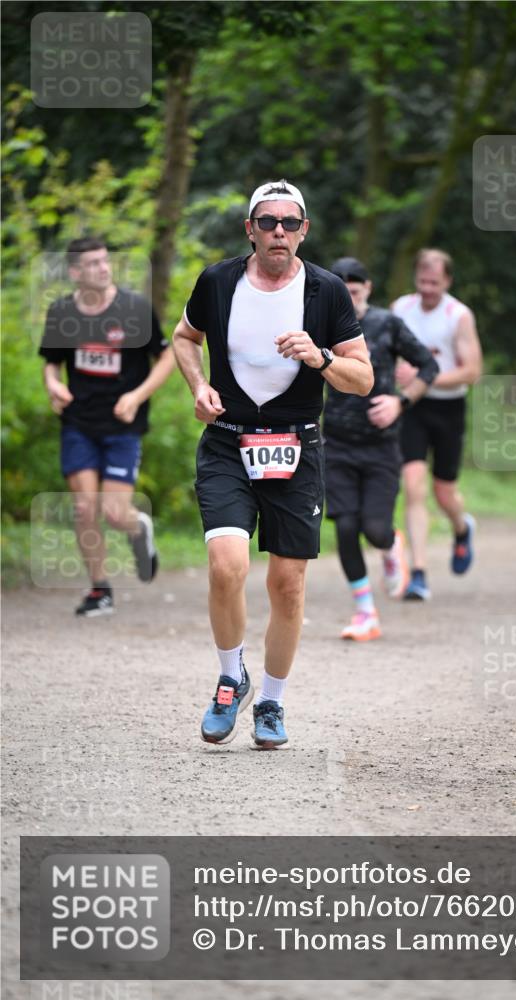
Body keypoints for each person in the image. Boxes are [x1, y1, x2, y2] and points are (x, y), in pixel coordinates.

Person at [172, 180, 373, 749]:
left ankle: (271, 704)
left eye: (289, 222)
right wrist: (198, 384)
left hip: (296, 447)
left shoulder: (328, 292)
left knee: (287, 585)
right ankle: (228, 678)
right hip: (227, 441)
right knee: (225, 566)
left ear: (304, 230)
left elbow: (363, 379)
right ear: (250, 230)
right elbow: (183, 339)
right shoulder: (218, 281)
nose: (278, 231)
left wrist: (323, 355)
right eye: (267, 222)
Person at [39, 237, 174, 616]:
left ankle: (137, 528)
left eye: (105, 261)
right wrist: (53, 385)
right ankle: (100, 590)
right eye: (93, 263)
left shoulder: (134, 309)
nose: (103, 267)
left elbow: (166, 358)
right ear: (75, 272)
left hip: (122, 424)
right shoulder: (62, 312)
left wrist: (136, 396)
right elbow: (52, 362)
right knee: (84, 508)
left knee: (114, 512)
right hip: (79, 422)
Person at [324, 256, 439, 640]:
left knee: (374, 529)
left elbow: (428, 367)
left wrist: (400, 402)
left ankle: (391, 545)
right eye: (342, 294)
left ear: (368, 289)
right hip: (336, 444)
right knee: (345, 527)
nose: (348, 300)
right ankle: (365, 612)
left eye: (354, 293)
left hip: (381, 448)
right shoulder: (320, 325)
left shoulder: (386, 324)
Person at [391, 248, 483, 600]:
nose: (428, 288)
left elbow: (472, 371)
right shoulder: (401, 309)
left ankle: (462, 528)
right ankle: (418, 573)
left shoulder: (458, 315)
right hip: (412, 406)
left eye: (435, 282)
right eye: (422, 281)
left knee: (444, 493)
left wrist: (424, 376)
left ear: (447, 281)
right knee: (413, 486)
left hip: (449, 409)